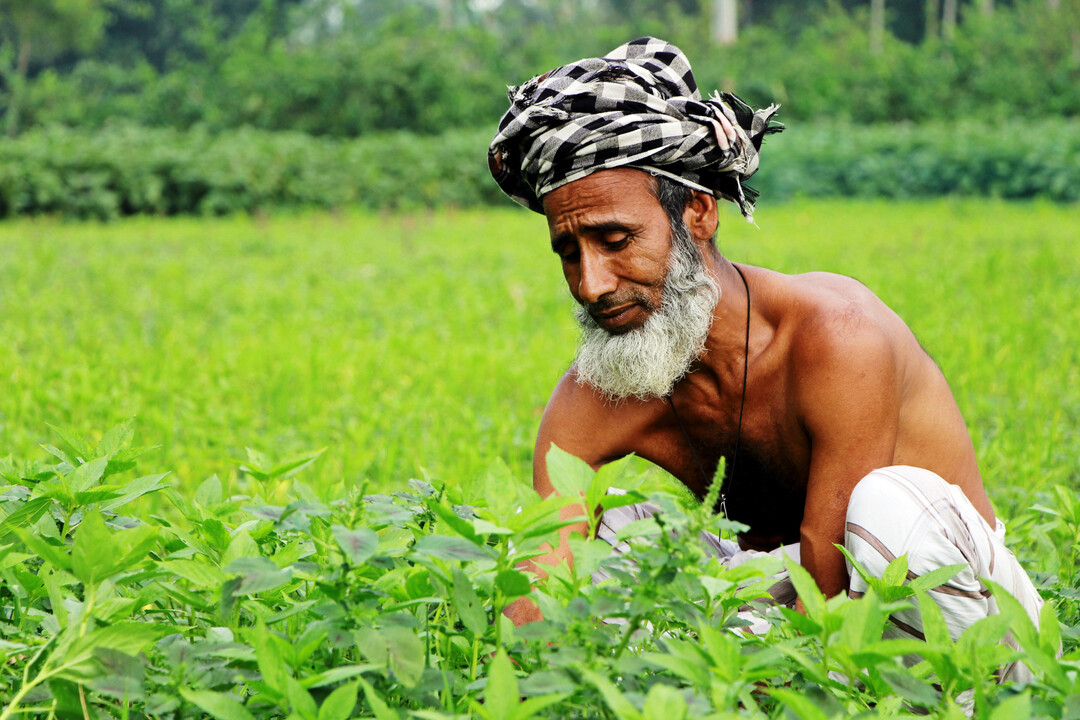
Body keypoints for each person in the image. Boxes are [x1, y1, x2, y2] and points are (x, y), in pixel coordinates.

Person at [487, 37, 1044, 681]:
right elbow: (539, 584)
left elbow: (833, 582)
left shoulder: (838, 338)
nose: (592, 284)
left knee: (886, 503)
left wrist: (707, 644)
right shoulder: (593, 398)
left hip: (974, 623)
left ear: (698, 211)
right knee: (614, 538)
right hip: (800, 605)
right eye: (568, 252)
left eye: (616, 239)